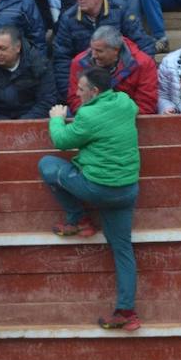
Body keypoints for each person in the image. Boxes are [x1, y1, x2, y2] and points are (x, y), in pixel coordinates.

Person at [42, 66, 142, 329]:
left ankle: (78, 218)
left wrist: (56, 118)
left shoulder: (87, 114)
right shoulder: (124, 102)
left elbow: (61, 141)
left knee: (48, 166)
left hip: (98, 188)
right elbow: (134, 110)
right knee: (123, 250)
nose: (77, 92)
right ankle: (126, 311)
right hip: (126, 190)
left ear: (94, 92)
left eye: (81, 89)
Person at [52, 0, 155, 88]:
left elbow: (144, 45)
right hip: (87, 84)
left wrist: (137, 77)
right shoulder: (68, 18)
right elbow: (62, 59)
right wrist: (72, 95)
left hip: (123, 78)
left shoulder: (121, 10)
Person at [0, 27, 58, 118]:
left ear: (18, 47)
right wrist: (3, 124)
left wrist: (21, 124)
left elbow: (47, 101)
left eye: (2, 48)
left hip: (30, 119)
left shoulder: (39, 64)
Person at [69, 25, 159, 112]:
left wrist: (113, 117)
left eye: (99, 51)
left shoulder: (143, 64)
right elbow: (75, 99)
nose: (93, 55)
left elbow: (146, 104)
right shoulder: (80, 62)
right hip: (90, 119)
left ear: (116, 50)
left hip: (128, 120)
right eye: (92, 49)